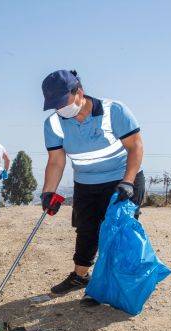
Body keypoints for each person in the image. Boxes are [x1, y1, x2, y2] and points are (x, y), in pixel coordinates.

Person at [39, 70, 145, 307]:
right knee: (86, 230)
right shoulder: (54, 123)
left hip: (122, 179)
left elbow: (135, 147)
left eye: (62, 102)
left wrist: (127, 182)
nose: (59, 109)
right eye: (54, 105)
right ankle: (80, 276)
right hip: (86, 183)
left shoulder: (113, 111)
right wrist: (48, 192)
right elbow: (56, 160)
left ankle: (111, 285)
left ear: (79, 92)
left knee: (117, 231)